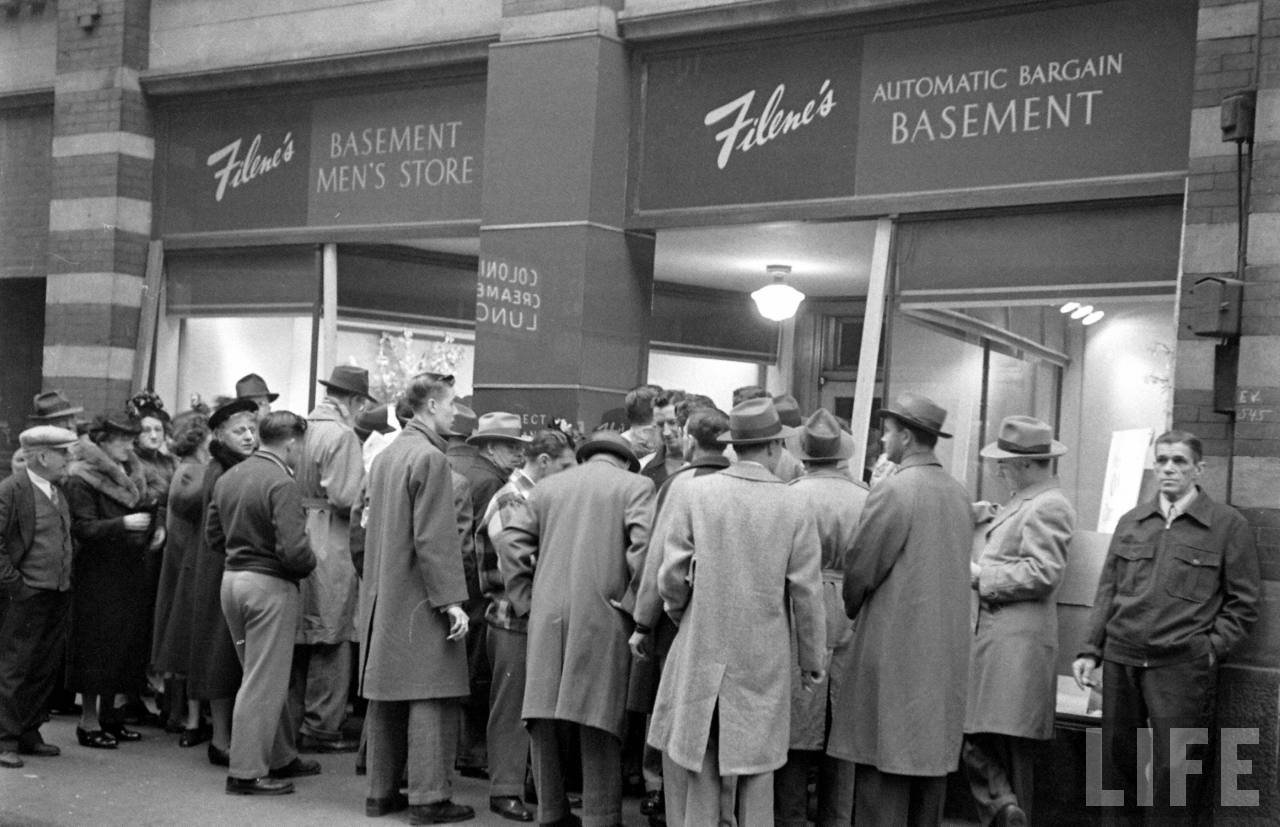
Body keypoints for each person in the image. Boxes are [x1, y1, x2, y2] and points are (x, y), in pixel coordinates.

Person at [646, 398, 825, 827]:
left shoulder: (695, 492)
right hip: (763, 654)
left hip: (702, 643)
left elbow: (670, 575)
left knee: (701, 758)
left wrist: (682, 613)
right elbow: (806, 591)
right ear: (774, 446)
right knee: (756, 766)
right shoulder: (795, 503)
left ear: (734, 445)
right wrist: (811, 660)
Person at [1072, 430, 1260, 825]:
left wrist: (1209, 649)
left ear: (1198, 469)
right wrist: (1090, 650)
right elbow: (1107, 590)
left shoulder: (1226, 525)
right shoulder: (1132, 522)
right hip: (1121, 660)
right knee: (1114, 766)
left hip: (1180, 667)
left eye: (1179, 461)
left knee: (1174, 772)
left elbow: (1243, 603)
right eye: (1162, 461)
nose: (1169, 469)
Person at [827, 392, 973, 827]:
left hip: (893, 654)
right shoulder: (958, 493)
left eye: (887, 432)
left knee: (881, 781)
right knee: (928, 782)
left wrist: (850, 607)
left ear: (906, 437)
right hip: (942, 659)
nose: (881, 440)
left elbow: (861, 567)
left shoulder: (894, 490)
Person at [498, 430, 655, 827]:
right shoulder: (636, 486)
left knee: (543, 715)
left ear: (586, 455)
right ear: (625, 461)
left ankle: (551, 811)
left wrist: (526, 599)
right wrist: (635, 605)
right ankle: (601, 816)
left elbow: (511, 541)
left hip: (546, 614)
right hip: (603, 615)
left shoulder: (548, 487)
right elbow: (644, 552)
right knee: (598, 716)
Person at [360, 372, 474, 824]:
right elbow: (434, 539)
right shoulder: (430, 458)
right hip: (420, 594)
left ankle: (380, 792)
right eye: (451, 404)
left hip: (385, 592)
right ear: (430, 405)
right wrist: (452, 601)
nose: (455, 412)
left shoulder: (386, 456)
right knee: (431, 693)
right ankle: (429, 798)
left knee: (387, 694)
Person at [964, 416, 1075, 827]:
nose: (1000, 472)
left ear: (1027, 464)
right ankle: (1006, 810)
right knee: (986, 739)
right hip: (1005, 647)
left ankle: (1006, 809)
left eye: (1005, 464)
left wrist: (982, 576)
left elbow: (1044, 572)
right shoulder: (1031, 501)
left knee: (1005, 747)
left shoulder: (1050, 505)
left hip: (1016, 648)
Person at [209, 411, 320, 795]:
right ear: (291, 443)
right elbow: (294, 551)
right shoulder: (281, 483)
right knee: (263, 682)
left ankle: (281, 755)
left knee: (263, 676)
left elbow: (213, 536)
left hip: (232, 581)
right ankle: (246, 772)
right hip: (269, 586)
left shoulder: (229, 477)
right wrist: (311, 563)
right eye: (301, 446)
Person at [628, 404, 730, 821]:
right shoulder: (744, 481)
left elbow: (659, 557)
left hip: (681, 616)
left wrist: (644, 619)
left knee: (671, 705)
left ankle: (664, 793)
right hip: (731, 618)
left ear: (690, 439)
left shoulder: (680, 485)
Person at [774, 409, 868, 827]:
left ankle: (789, 817)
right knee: (843, 735)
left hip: (799, 610)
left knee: (794, 732)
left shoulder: (789, 495)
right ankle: (837, 818)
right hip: (851, 610)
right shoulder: (866, 497)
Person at [478, 427, 577, 822]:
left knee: (530, 707)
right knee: (511, 708)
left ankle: (529, 785)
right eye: (566, 466)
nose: (571, 474)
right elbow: (515, 562)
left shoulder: (532, 498)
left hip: (526, 615)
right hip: (512, 617)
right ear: (545, 462)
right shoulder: (511, 499)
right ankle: (505, 789)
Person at [64, 413, 165, 749]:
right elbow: (82, 527)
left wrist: (156, 527)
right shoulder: (82, 477)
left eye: (130, 438)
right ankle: (88, 722)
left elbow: (150, 506)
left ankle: (111, 716)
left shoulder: (131, 470)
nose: (129, 445)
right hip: (97, 575)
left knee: (123, 646)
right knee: (96, 648)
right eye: (122, 439)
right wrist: (123, 525)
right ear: (102, 441)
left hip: (128, 570)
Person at [291, 365, 374, 754]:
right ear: (354, 401)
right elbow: (345, 497)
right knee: (333, 631)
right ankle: (322, 726)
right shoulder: (342, 435)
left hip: (299, 527)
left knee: (302, 632)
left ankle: (295, 721)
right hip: (331, 536)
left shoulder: (303, 427)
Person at [186, 397, 261, 767]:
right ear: (219, 435)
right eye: (238, 431)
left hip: (228, 564)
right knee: (221, 651)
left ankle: (228, 736)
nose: (248, 436)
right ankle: (221, 739)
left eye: (251, 429)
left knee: (230, 651)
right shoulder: (220, 471)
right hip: (221, 565)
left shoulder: (236, 466)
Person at [456, 411, 530, 779]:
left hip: (465, 587)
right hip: (479, 591)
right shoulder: (492, 483)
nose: (519, 453)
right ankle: (474, 754)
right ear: (489, 447)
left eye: (520, 446)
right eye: (510, 446)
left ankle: (469, 751)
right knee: (481, 674)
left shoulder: (471, 472)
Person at [0, 426, 79, 768]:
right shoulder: (12, 490)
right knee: (14, 667)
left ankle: (29, 730)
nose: (69, 459)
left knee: (43, 667)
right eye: (63, 453)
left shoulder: (57, 491)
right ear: (43, 456)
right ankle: (5, 739)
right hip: (26, 594)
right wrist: (16, 585)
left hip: (56, 592)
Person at [150, 409, 214, 743]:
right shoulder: (197, 473)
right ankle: (190, 718)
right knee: (189, 638)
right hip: (190, 562)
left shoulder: (184, 470)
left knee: (177, 634)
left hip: (178, 559)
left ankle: (175, 712)